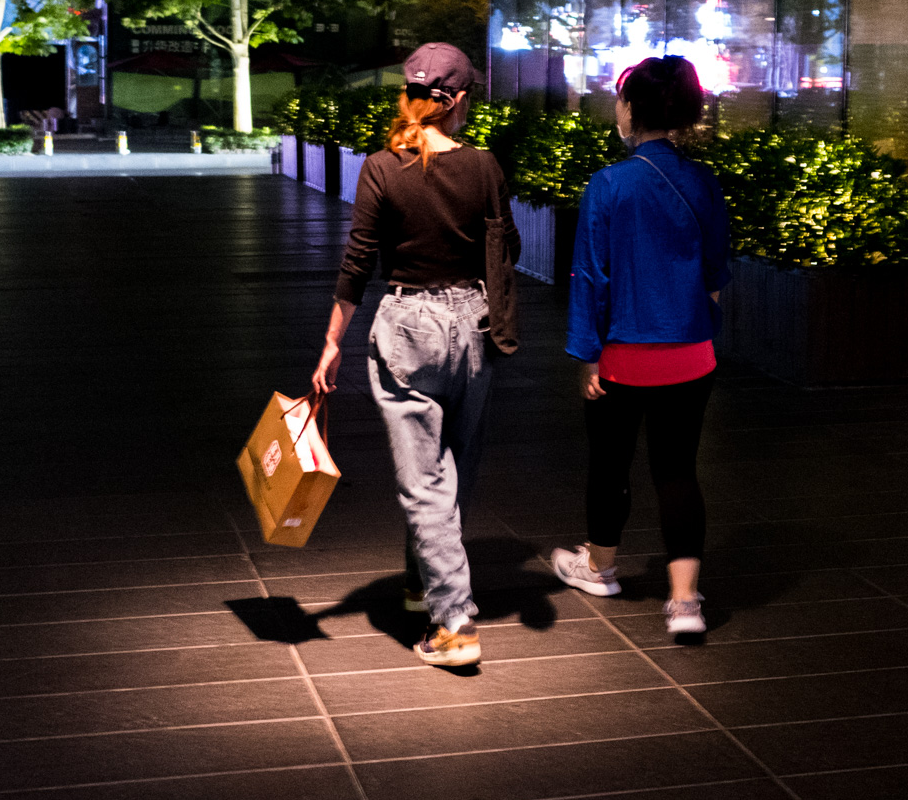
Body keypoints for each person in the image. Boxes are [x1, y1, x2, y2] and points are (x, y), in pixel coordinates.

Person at [313, 43, 518, 668]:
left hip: (408, 325)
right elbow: (504, 242)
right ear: (458, 101)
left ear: (410, 94)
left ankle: (454, 623)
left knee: (422, 477)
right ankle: (422, 583)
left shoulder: (380, 167)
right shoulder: (484, 166)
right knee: (453, 466)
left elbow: (359, 259)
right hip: (473, 322)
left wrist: (331, 341)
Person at [552, 56, 730, 636]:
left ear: (634, 110)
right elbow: (716, 271)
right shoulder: (703, 181)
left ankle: (600, 567)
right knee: (678, 470)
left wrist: (588, 353)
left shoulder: (609, 184)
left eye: (621, 101)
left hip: (624, 355)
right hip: (690, 350)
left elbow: (590, 275)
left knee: (610, 465)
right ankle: (685, 603)